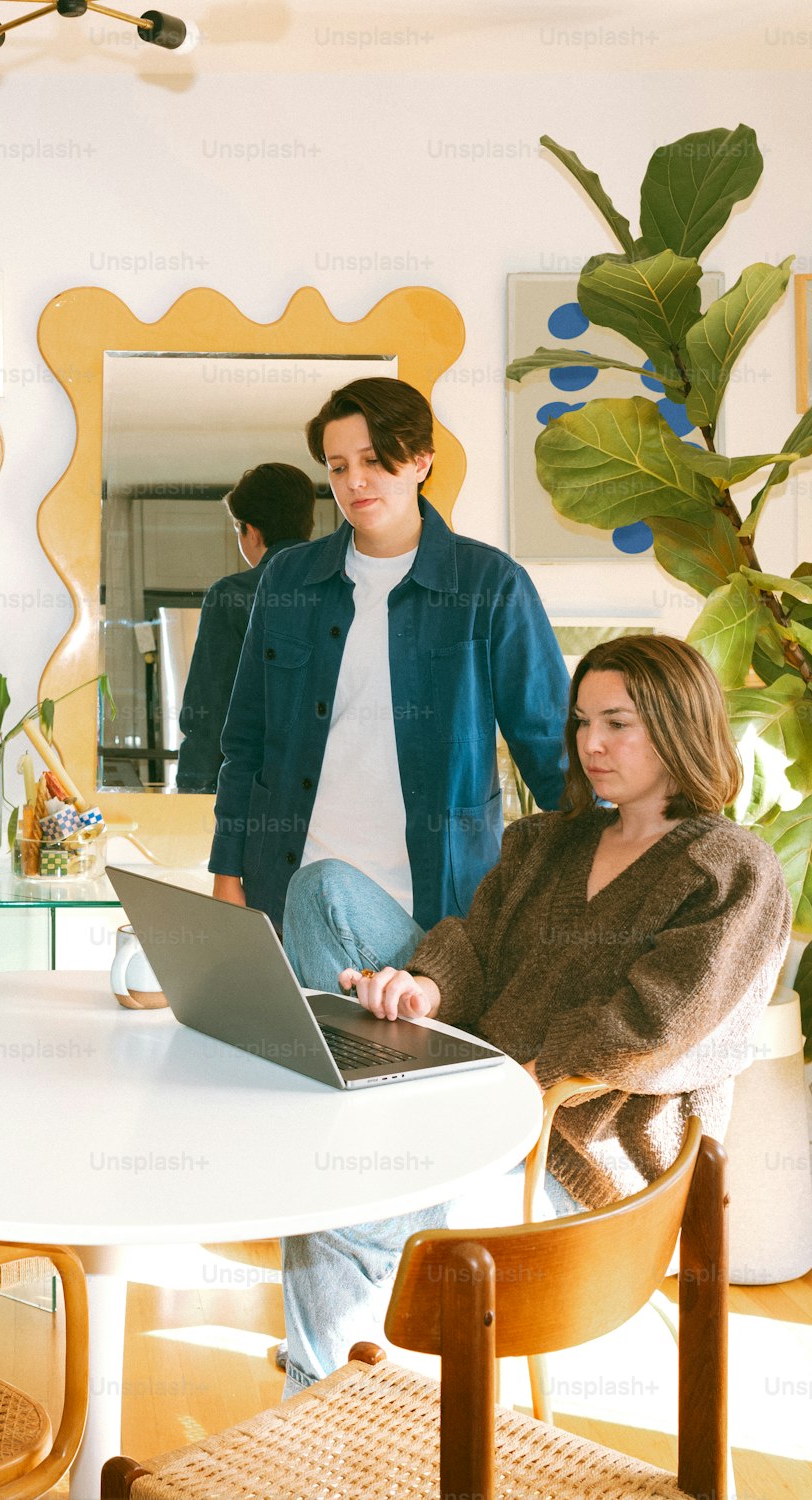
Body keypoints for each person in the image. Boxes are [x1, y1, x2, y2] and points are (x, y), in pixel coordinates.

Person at [278, 634, 791, 1395]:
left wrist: (525, 1078)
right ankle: (357, 1102)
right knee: (323, 890)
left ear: (679, 724)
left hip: (575, 1153)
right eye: (582, 722)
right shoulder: (547, 841)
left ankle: (318, 1413)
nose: (591, 744)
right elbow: (477, 944)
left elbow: (659, 1027)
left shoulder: (730, 866)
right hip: (478, 1085)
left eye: (617, 723)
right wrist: (426, 988)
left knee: (342, 1199)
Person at [208, 377, 571, 933]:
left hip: (438, 910)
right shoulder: (287, 579)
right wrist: (227, 874)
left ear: (422, 461)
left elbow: (552, 750)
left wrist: (628, 861)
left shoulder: (489, 584)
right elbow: (245, 742)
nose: (354, 482)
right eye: (336, 466)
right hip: (287, 892)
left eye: (373, 460)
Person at [176, 463, 316, 793]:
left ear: (250, 531)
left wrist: (191, 794)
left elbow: (209, 711)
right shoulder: (344, 591)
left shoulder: (232, 596)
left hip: (252, 793)